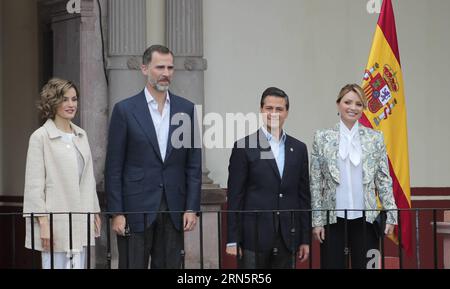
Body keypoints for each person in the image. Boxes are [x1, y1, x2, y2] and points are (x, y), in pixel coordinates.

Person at [105, 44, 201, 269]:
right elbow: (113, 167)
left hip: (173, 208)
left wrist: (191, 207)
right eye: (160, 67)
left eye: (170, 67)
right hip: (134, 209)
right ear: (144, 69)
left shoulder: (185, 109)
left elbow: (193, 163)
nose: (166, 73)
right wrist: (117, 213)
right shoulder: (125, 110)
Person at [310, 83, 398, 269]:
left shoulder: (375, 138)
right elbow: (316, 183)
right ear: (338, 104)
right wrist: (317, 221)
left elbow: (383, 179)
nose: (353, 107)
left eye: (358, 104)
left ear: (363, 108)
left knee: (368, 267)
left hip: (367, 219)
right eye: (348, 102)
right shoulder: (322, 137)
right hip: (333, 220)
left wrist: (391, 214)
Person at [226, 87, 311, 269]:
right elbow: (235, 196)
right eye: (269, 108)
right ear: (261, 110)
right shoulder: (244, 146)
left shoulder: (299, 149)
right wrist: (232, 240)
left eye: (279, 109)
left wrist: (305, 239)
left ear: (287, 112)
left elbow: (304, 196)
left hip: (288, 237)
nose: (274, 113)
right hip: (253, 237)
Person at [23, 78, 101, 269]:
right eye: (64, 99)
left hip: (80, 218)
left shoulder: (81, 135)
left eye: (74, 99)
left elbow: (88, 178)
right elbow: (34, 186)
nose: (71, 104)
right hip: (54, 223)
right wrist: (43, 224)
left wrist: (95, 210)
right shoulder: (40, 137)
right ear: (53, 101)